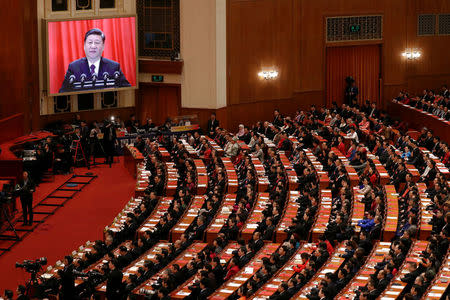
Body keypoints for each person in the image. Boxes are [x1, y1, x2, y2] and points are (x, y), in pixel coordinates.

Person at [59, 28, 130, 93]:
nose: (93, 46)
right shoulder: (74, 67)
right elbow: (62, 92)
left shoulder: (113, 67)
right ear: (84, 46)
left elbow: (127, 90)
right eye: (90, 42)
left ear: (103, 46)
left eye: (97, 43)